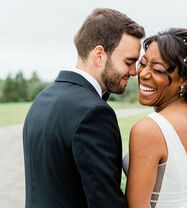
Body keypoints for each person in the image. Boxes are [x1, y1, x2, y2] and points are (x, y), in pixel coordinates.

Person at [23, 8, 145, 208]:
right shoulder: (94, 113)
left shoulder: (42, 99)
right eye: (129, 61)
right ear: (99, 55)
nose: (134, 72)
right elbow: (105, 202)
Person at [123, 28, 187, 208]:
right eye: (142, 63)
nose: (143, 74)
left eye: (157, 69)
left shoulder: (149, 129)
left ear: (184, 79)